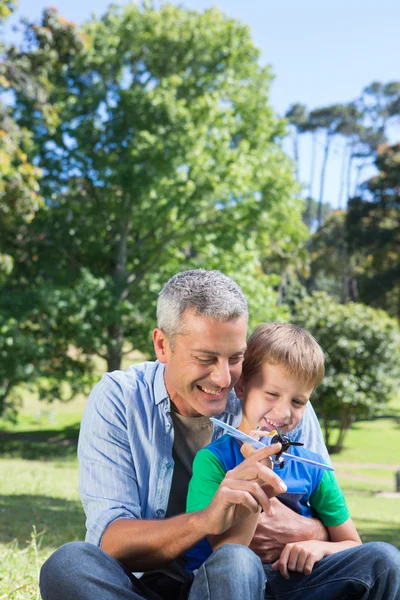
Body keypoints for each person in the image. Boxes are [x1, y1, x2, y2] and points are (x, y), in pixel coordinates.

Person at [38, 270, 400, 600]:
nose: (225, 379)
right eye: (206, 358)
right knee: (69, 565)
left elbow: (328, 508)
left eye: (235, 358)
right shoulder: (119, 398)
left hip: (272, 583)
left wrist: (314, 536)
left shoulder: (277, 406)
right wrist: (207, 520)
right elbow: (112, 541)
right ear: (163, 346)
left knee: (382, 561)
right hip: (161, 585)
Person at [185, 323, 400, 598]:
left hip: (294, 583)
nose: (284, 411)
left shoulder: (313, 467)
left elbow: (351, 542)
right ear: (241, 387)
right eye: (272, 394)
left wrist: (320, 547)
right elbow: (228, 550)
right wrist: (256, 476)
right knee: (238, 561)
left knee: (385, 558)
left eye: (298, 401)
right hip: (223, 582)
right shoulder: (213, 461)